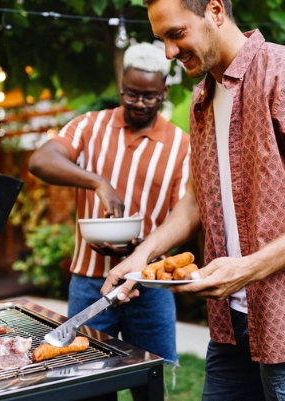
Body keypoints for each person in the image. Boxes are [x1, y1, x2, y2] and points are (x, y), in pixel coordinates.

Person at [102, 0, 285, 400]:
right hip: (230, 319)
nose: (169, 53)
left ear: (215, 10)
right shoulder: (202, 99)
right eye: (161, 39)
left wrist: (248, 269)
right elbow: (196, 199)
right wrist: (143, 255)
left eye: (176, 34)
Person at [28, 43, 191, 367]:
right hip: (89, 283)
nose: (140, 104)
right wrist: (99, 182)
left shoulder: (181, 145)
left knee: (151, 375)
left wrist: (143, 248)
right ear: (121, 87)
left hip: (149, 283)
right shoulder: (89, 125)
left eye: (150, 96)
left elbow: (184, 217)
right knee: (86, 375)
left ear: (164, 90)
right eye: (131, 94)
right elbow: (40, 160)